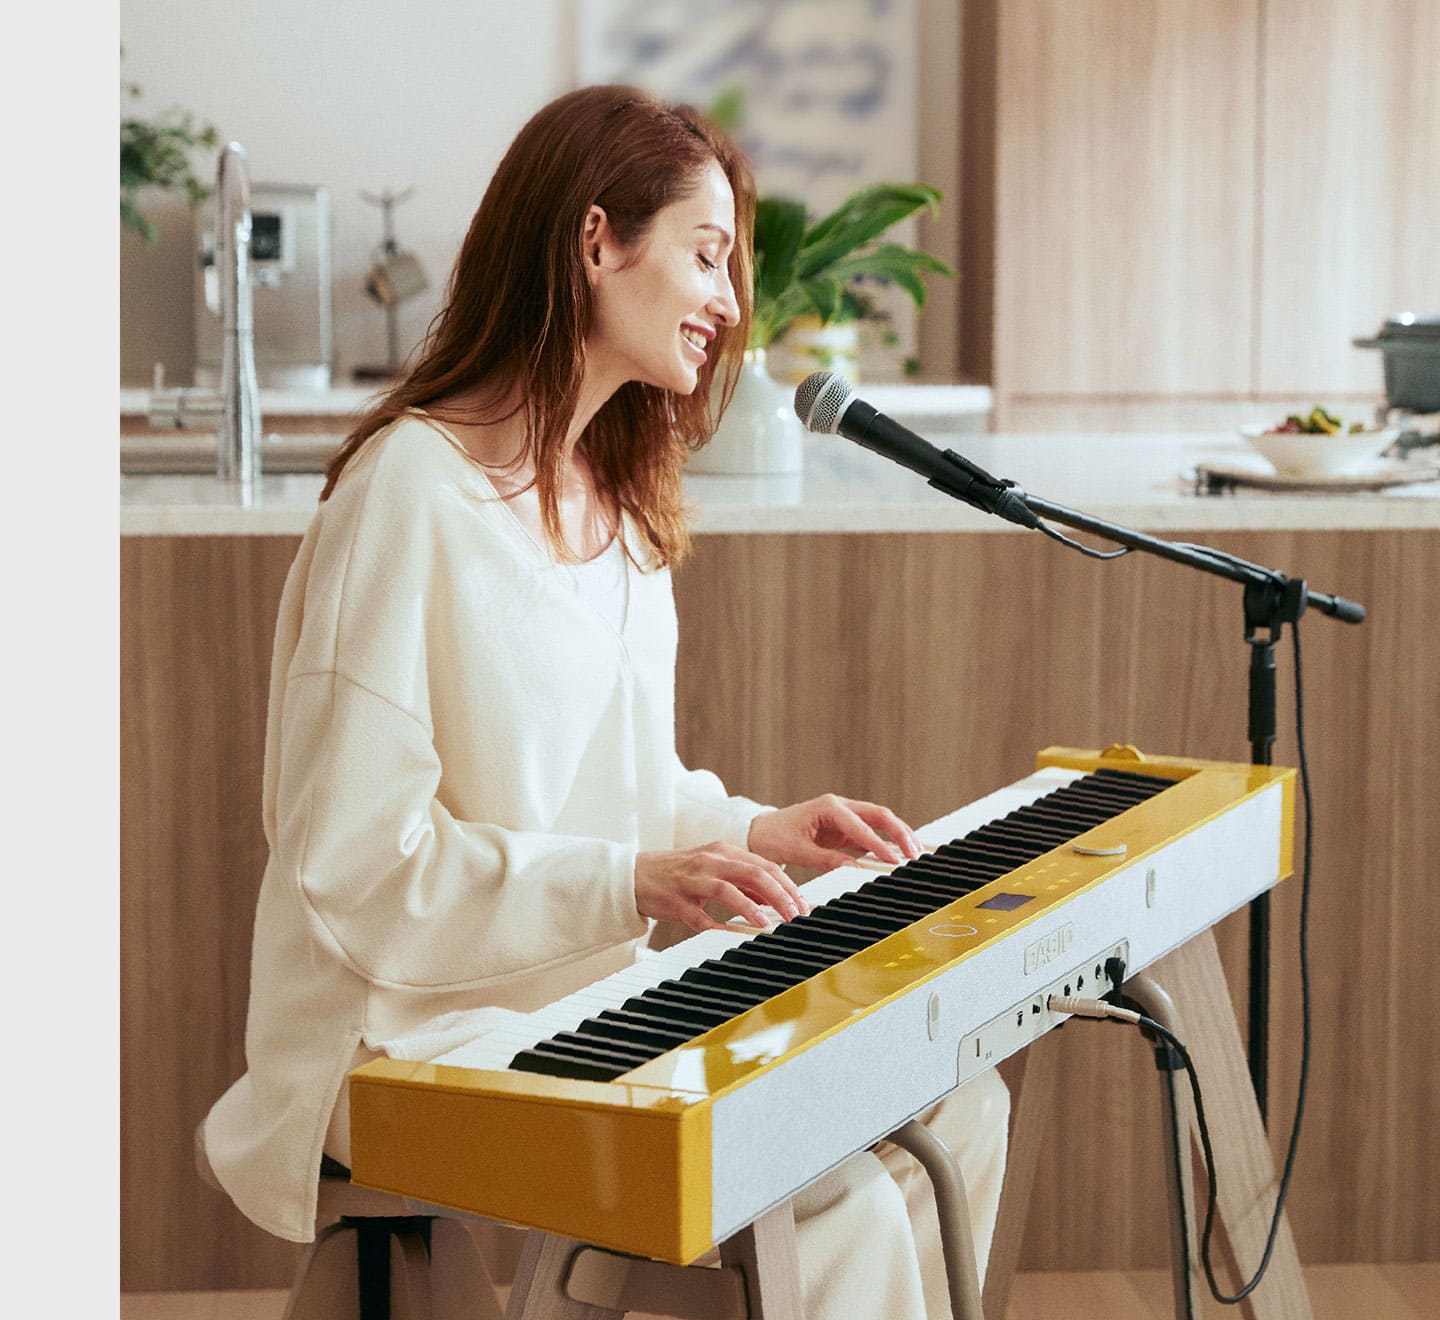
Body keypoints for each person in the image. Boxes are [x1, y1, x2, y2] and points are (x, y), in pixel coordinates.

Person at [201, 84, 1009, 1317]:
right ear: (596, 242)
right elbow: (354, 866)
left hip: (580, 1000)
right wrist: (631, 883)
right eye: (706, 253)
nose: (730, 300)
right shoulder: (410, 493)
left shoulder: (617, 502)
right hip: (396, 1038)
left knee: (958, 1106)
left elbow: (627, 794)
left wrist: (753, 831)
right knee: (833, 1196)